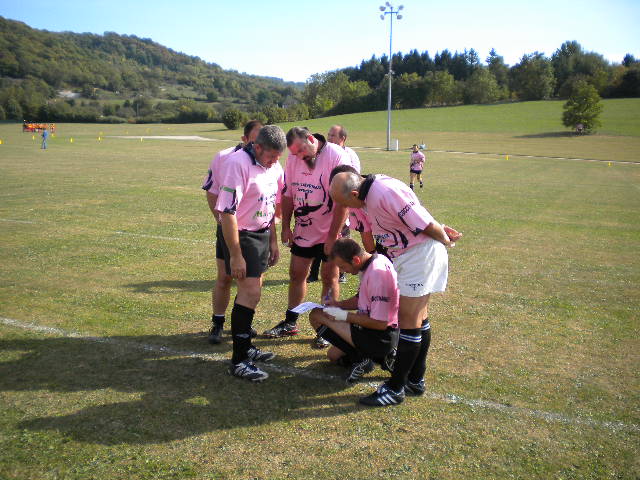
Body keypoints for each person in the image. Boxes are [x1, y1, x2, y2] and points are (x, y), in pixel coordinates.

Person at [330, 171, 462, 406]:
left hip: (418, 255)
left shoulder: (384, 192)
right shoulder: (370, 194)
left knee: (409, 320)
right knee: (419, 318)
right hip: (407, 255)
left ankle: (396, 387)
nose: (346, 209)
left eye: (345, 203)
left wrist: (444, 238)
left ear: (354, 194)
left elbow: (422, 221)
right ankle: (415, 379)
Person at [264, 127, 350, 346]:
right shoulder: (294, 158)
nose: (300, 157)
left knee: (329, 277)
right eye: (295, 154)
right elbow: (288, 194)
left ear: (311, 139)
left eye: (302, 151)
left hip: (332, 229)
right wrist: (286, 226)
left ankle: (328, 328)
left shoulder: (336, 156)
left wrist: (332, 236)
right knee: (296, 274)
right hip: (304, 230)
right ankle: (290, 322)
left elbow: (344, 200)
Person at [215, 125, 286, 381]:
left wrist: (273, 242)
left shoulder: (274, 166)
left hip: (262, 234)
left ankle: (246, 348)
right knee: (250, 292)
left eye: (278, 157)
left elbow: (272, 206)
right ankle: (239, 360)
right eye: (271, 156)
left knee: (253, 293)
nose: (275, 161)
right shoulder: (237, 163)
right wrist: (235, 254)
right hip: (242, 234)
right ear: (257, 147)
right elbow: (227, 212)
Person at [202, 120, 264, 344]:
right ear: (244, 139)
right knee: (225, 277)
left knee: (253, 280)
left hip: (255, 232)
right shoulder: (224, 157)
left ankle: (243, 323)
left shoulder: (267, 160)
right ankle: (218, 323)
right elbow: (212, 192)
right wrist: (221, 222)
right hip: (229, 228)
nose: (259, 146)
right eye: (255, 141)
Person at [309, 238, 399, 384]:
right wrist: (338, 304)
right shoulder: (373, 261)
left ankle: (367, 358)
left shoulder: (377, 274)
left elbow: (381, 323)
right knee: (333, 356)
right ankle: (377, 358)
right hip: (373, 331)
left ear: (356, 259)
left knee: (317, 315)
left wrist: (343, 316)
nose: (343, 271)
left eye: (343, 267)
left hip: (382, 337)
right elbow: (360, 298)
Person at [326, 124, 361, 284]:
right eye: (329, 135)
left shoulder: (350, 155)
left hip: (343, 200)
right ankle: (316, 269)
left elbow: (354, 179)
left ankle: (341, 271)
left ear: (343, 138)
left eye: (333, 135)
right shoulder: (325, 153)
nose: (329, 138)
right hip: (328, 201)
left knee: (342, 236)